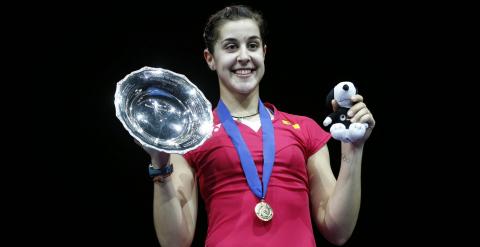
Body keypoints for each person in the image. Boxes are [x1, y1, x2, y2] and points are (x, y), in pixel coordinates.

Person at [139, 5, 376, 247]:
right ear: (210, 58)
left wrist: (353, 150)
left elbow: (338, 230)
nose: (244, 56)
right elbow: (175, 242)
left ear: (263, 52)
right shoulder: (192, 135)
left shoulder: (303, 128)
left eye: (252, 45)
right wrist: (160, 164)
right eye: (231, 46)